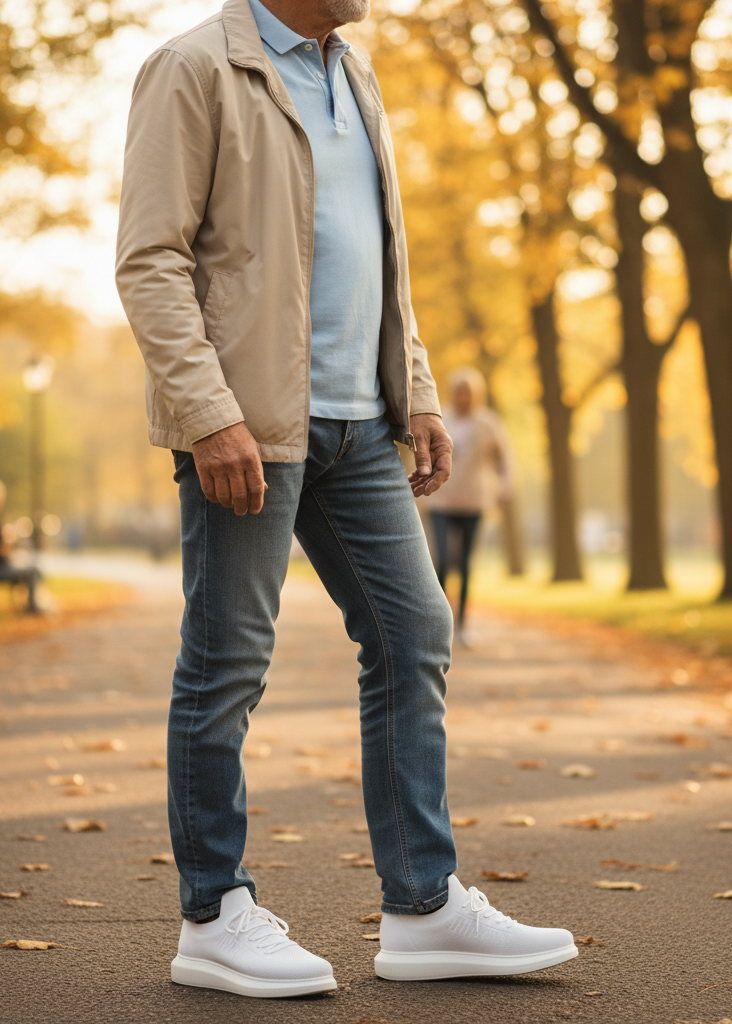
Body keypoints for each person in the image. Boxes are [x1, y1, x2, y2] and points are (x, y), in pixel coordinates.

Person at [115, 0, 576, 999]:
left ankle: (423, 906)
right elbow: (151, 260)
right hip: (253, 424)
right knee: (229, 658)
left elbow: (381, 266)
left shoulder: (353, 74)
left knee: (415, 631)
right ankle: (214, 912)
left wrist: (414, 392)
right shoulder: (193, 68)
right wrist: (209, 413)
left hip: (362, 424)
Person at [427, 367, 513, 645]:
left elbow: (505, 459)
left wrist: (507, 483)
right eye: (458, 391)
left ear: (476, 394)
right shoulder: (440, 418)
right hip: (440, 499)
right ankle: (439, 626)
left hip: (474, 501)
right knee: (439, 561)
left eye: (468, 392)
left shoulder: (488, 423)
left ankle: (462, 626)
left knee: (464, 565)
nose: (463, 396)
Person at [0, 482, 41, 614]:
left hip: (5, 564)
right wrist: (8, 543)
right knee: (32, 571)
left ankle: (30, 604)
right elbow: (4, 551)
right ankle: (31, 606)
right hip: (3, 568)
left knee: (30, 566)